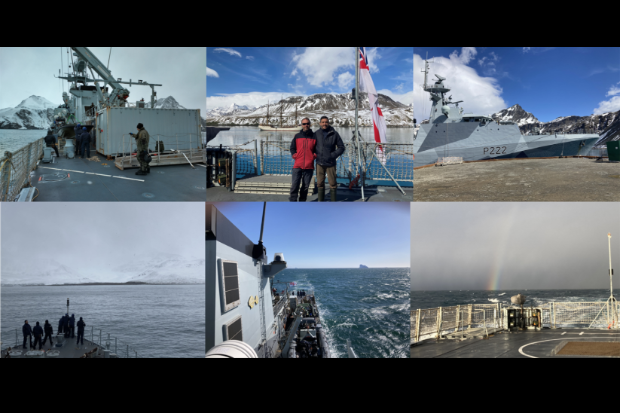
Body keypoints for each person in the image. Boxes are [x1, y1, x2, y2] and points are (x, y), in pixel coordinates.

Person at [314, 116, 344, 202]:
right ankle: (321, 202)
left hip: (330, 163)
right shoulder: (316, 133)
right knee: (319, 183)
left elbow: (341, 147)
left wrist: (332, 155)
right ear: (320, 123)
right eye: (323, 122)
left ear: (328, 123)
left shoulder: (334, 134)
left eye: (326, 122)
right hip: (319, 163)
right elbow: (310, 143)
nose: (324, 124)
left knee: (333, 183)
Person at [289, 118, 316, 202]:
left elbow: (317, 149)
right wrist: (294, 155)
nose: (306, 125)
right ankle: (292, 202)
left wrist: (313, 156)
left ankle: (302, 202)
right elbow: (292, 147)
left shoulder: (314, 136)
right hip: (297, 164)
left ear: (310, 124)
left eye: (307, 123)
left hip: (309, 165)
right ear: (301, 125)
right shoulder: (297, 136)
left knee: (305, 187)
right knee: (294, 186)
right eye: (304, 124)